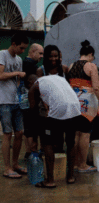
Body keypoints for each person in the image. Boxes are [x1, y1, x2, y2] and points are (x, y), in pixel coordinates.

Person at [28, 75, 82, 188]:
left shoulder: (34, 86)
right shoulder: (56, 79)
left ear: (30, 83)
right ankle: (70, 177)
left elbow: (33, 113)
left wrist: (34, 138)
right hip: (76, 106)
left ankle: (50, 180)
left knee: (48, 142)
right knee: (71, 141)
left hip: (60, 106)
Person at [68, 40, 99, 173]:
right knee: (84, 135)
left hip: (73, 104)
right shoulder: (91, 66)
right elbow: (96, 87)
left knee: (75, 135)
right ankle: (83, 165)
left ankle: (73, 164)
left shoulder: (71, 66)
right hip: (86, 106)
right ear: (90, 54)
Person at [0, 34, 29, 179]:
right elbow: (0, 75)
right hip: (4, 100)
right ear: (13, 44)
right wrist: (17, 73)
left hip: (16, 100)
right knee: (7, 134)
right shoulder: (2, 54)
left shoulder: (18, 59)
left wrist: (21, 94)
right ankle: (7, 168)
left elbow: (18, 81)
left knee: (19, 133)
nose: (23, 51)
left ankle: (15, 164)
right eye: (21, 48)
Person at [36, 45, 68, 152]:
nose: (53, 59)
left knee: (59, 136)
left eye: (56, 56)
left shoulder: (64, 69)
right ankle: (47, 156)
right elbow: (40, 92)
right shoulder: (41, 71)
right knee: (47, 136)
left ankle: (59, 157)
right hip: (45, 108)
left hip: (60, 107)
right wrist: (47, 109)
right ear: (46, 57)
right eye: (51, 56)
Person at [21, 43, 44, 159]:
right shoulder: (30, 65)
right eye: (40, 53)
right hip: (30, 102)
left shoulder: (26, 64)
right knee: (31, 127)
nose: (41, 56)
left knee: (28, 127)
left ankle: (29, 151)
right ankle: (31, 152)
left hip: (26, 102)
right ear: (33, 52)